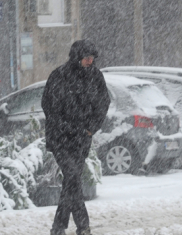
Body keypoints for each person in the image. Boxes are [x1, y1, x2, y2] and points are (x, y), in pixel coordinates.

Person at [41, 40, 110, 235]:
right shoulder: (59, 76)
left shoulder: (96, 77)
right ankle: (83, 226)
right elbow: (48, 105)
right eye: (87, 58)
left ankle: (58, 227)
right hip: (60, 138)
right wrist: (65, 127)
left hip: (81, 139)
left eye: (92, 58)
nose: (90, 61)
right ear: (76, 57)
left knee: (72, 181)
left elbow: (103, 103)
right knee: (72, 176)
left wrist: (91, 128)